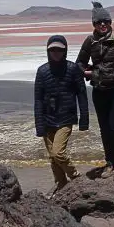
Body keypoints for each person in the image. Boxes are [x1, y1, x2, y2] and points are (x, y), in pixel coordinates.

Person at [34, 35, 89, 198]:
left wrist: (84, 118)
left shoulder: (72, 69)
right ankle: (61, 183)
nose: (56, 53)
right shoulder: (42, 71)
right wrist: (39, 124)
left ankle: (75, 176)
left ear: (65, 50)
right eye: (53, 50)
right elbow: (37, 100)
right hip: (47, 118)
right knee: (52, 157)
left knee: (58, 152)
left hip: (66, 117)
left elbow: (81, 94)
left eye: (59, 49)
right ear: (48, 51)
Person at [77, 2, 114, 178]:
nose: (102, 25)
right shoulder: (90, 41)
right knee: (104, 128)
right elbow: (80, 62)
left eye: (105, 21)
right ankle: (109, 162)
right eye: (99, 22)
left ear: (110, 22)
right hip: (99, 91)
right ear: (94, 25)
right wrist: (88, 72)